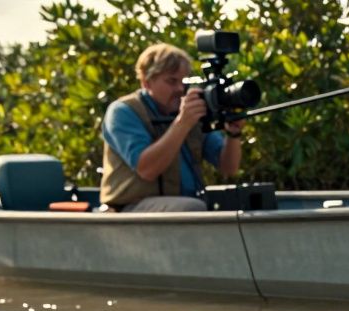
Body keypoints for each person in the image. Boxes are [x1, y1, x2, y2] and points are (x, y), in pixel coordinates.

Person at [100, 43, 244, 212]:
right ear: (146, 82)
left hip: (180, 206)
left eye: (184, 81)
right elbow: (147, 169)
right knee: (192, 208)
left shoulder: (189, 111)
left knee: (244, 202)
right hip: (130, 209)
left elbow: (228, 167)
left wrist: (233, 134)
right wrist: (183, 123)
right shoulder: (124, 112)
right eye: (171, 81)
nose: (180, 89)